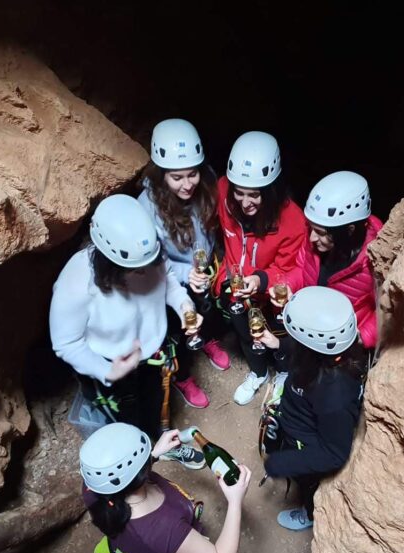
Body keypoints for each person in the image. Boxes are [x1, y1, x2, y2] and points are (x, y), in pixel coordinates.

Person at [49, 194, 203, 464]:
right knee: (127, 420)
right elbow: (66, 343)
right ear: (109, 262)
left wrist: (185, 307)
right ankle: (141, 465)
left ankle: (163, 443)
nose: (147, 271)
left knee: (156, 404)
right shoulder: (76, 282)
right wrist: (107, 371)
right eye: (136, 269)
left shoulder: (150, 252)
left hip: (153, 352)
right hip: (112, 367)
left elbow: (167, 281)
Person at [81, 423, 253, 553]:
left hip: (144, 548)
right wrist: (235, 501)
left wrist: (153, 455)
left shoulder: (93, 488)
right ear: (141, 474)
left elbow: (121, 481)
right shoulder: (161, 528)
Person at [190, 131, 305, 405]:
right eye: (239, 193)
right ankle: (258, 373)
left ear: (271, 190)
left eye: (254, 195)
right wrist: (217, 277)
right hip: (238, 291)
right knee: (245, 333)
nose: (244, 202)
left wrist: (262, 280)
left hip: (273, 295)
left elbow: (295, 269)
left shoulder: (292, 220)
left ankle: (283, 375)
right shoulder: (223, 192)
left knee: (278, 337)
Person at [137, 120, 231, 410]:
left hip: (202, 268)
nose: (187, 184)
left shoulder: (206, 182)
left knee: (207, 308)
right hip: (170, 279)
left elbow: (213, 226)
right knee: (175, 333)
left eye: (192, 174)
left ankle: (207, 339)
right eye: (177, 177)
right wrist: (183, 274)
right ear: (161, 173)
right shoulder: (147, 205)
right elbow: (150, 259)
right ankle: (182, 376)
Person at [255, 287, 366, 530]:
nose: (293, 343)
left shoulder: (334, 394)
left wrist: (283, 463)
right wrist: (278, 345)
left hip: (306, 444)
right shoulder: (329, 353)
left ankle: (309, 513)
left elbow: (334, 453)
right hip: (296, 421)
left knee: (308, 486)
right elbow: (300, 350)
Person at [274, 171, 382, 351]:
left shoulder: (375, 260)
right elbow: (302, 269)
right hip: (311, 330)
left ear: (349, 230)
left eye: (322, 233)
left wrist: (362, 336)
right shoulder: (317, 242)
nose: (311, 238)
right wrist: (288, 285)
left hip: (343, 347)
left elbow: (386, 309)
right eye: (311, 228)